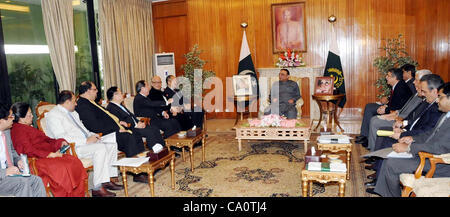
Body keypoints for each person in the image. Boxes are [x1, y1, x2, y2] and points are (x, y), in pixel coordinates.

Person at [370, 82, 450, 197]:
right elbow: (429, 134)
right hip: (427, 153)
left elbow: (439, 147)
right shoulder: (445, 115)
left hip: (439, 163)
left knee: (392, 164)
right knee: (390, 158)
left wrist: (409, 147)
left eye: (440, 97)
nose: (437, 101)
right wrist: (412, 138)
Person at [45, 90, 123, 197]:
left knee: (111, 144)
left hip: (85, 143)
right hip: (72, 148)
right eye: (74, 101)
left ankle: (107, 180)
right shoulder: (53, 115)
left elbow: (83, 130)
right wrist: (85, 141)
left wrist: (93, 135)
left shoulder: (73, 112)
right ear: (67, 102)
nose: (76, 104)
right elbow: (61, 138)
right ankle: (97, 188)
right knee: (100, 149)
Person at [10, 102, 88, 197]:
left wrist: (60, 142)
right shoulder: (18, 130)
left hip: (46, 156)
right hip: (37, 160)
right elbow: (27, 150)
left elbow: (46, 140)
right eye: (29, 115)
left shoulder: (27, 126)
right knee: (63, 168)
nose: (32, 117)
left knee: (74, 161)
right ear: (21, 118)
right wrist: (50, 155)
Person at [365, 69, 431, 152]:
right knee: (375, 119)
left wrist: (398, 118)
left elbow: (413, 117)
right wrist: (395, 113)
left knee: (375, 122)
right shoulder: (417, 93)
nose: (413, 82)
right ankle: (373, 150)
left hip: (403, 122)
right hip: (400, 118)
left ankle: (374, 152)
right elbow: (405, 108)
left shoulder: (422, 98)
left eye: (416, 80)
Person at [75, 81, 145, 157]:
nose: (97, 91)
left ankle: (141, 161)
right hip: (105, 134)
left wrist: (119, 122)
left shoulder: (91, 102)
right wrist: (116, 129)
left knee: (136, 133)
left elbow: (107, 115)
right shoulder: (83, 105)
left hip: (113, 129)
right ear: (88, 91)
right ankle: (132, 165)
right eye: (95, 89)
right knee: (127, 137)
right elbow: (94, 126)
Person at [355, 68, 413, 147]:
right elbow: (394, 101)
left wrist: (385, 109)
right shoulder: (398, 85)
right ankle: (364, 135)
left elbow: (399, 107)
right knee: (369, 106)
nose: (386, 77)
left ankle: (367, 139)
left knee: (372, 114)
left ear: (395, 78)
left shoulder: (401, 88)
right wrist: (385, 106)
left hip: (396, 114)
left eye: (388, 76)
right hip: (390, 107)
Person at [0, 103, 46, 197]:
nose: (13, 118)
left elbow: (12, 151)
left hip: (11, 174)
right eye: (10, 116)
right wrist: (5, 172)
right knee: (23, 183)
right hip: (2, 177)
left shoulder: (6, 132)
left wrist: (18, 161)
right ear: (1, 121)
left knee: (37, 181)